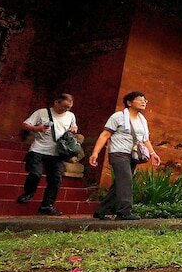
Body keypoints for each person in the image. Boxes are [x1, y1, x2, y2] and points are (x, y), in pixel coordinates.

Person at [88, 91, 161, 221]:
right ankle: (124, 212)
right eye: (140, 99)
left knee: (120, 183)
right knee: (126, 180)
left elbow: (145, 139)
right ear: (129, 102)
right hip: (118, 152)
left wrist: (153, 153)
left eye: (145, 100)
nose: (144, 102)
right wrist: (95, 153)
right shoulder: (118, 116)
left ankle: (101, 211)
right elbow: (105, 134)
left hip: (133, 154)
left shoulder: (142, 120)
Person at [17, 93, 78, 215]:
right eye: (63, 106)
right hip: (38, 150)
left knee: (56, 179)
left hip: (57, 153)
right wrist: (36, 128)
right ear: (56, 102)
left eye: (68, 108)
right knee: (35, 173)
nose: (65, 110)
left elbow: (74, 126)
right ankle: (29, 192)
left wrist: (74, 128)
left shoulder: (71, 116)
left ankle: (47, 205)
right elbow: (25, 124)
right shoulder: (41, 112)